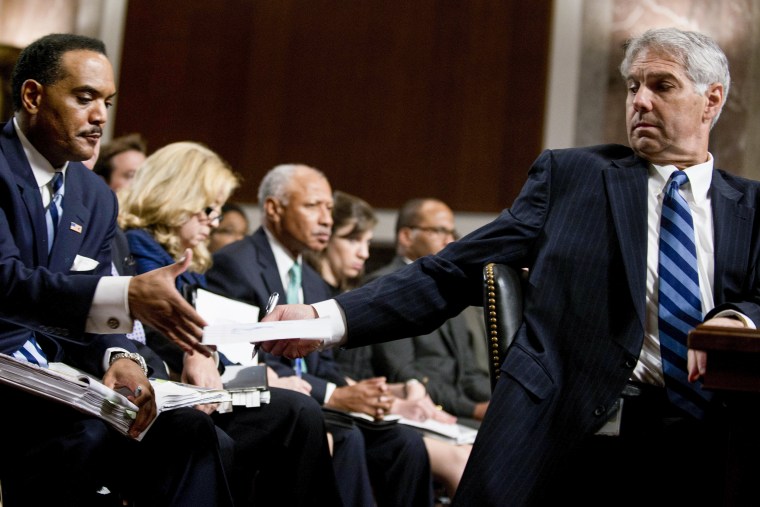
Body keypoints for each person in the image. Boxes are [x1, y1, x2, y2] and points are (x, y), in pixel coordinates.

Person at [258, 28, 760, 506]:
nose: (640, 101)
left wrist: (739, 318)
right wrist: (325, 320)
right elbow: (449, 272)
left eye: (662, 86)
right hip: (573, 426)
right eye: (633, 86)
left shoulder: (752, 208)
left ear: (711, 101)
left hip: (712, 429)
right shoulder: (573, 178)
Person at [0, 33, 232, 505]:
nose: (101, 116)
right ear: (32, 96)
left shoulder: (96, 197)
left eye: (106, 101)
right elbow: (6, 280)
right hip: (8, 377)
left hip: (66, 380)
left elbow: (99, 297)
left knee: (194, 434)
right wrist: (125, 298)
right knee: (86, 439)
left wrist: (122, 358)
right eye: (84, 98)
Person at [118, 142, 342, 506]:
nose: (214, 220)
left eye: (218, 210)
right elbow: (161, 338)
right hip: (169, 394)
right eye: (208, 208)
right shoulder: (140, 250)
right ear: (175, 196)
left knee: (301, 414)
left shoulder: (190, 265)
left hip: (205, 391)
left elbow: (219, 347)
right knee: (297, 414)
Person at [207, 163, 434, 507]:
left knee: (404, 444)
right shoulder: (236, 264)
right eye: (313, 206)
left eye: (328, 208)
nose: (326, 218)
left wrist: (355, 392)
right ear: (273, 208)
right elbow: (243, 359)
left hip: (316, 403)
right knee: (347, 437)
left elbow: (323, 365)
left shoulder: (313, 282)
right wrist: (334, 394)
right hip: (269, 403)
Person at [307, 190, 472, 499]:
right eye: (352, 240)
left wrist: (403, 389)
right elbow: (329, 374)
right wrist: (397, 398)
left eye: (367, 243)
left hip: (364, 408)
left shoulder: (341, 291)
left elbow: (352, 375)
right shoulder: (326, 294)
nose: (363, 254)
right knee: (432, 452)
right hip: (338, 410)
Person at [364, 198, 491, 424]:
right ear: (406, 236)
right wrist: (473, 409)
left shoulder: (450, 288)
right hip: (419, 411)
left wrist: (500, 399)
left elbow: (468, 373)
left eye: (452, 232)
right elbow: (402, 372)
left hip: (459, 410)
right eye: (439, 231)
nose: (450, 240)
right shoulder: (384, 286)